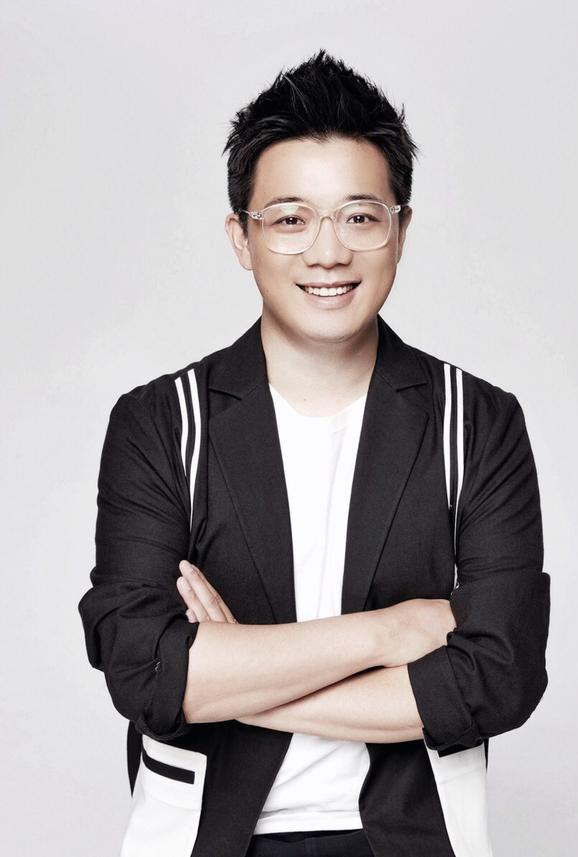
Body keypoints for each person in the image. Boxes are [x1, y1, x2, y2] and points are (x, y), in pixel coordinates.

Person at [78, 49, 550, 857]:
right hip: (208, 839)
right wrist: (391, 632)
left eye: (360, 217)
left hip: (409, 839)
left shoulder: (477, 422)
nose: (328, 252)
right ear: (242, 236)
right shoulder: (161, 423)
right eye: (291, 219)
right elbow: (144, 670)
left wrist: (233, 678)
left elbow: (497, 678)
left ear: (401, 229)